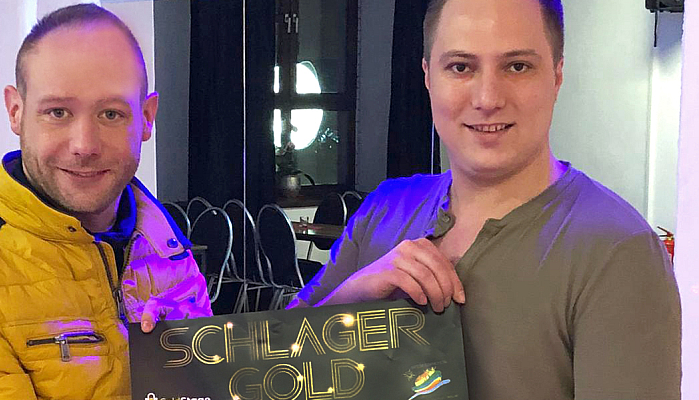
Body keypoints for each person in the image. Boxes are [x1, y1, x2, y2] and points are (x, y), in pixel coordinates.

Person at [290, 0, 681, 398]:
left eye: (517, 66)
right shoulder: (387, 207)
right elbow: (278, 369)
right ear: (428, 77)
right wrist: (355, 293)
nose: (488, 98)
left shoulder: (615, 251)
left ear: (557, 75)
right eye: (461, 67)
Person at [0, 4, 211, 399]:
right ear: (16, 111)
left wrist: (206, 367)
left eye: (111, 114)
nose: (85, 145)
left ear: (147, 118)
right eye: (58, 112)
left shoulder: (166, 247)